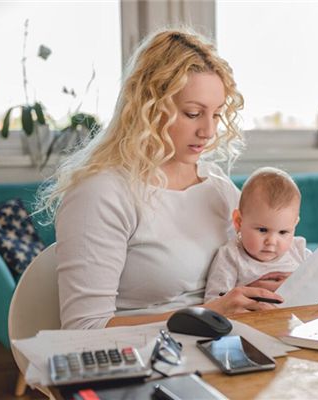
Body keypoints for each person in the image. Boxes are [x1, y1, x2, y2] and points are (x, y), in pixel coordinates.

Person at [37, 28, 287, 330]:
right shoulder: (102, 193)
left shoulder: (216, 186)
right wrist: (210, 312)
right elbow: (84, 329)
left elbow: (240, 269)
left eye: (217, 115)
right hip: (141, 359)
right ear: (150, 110)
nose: (208, 131)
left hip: (220, 344)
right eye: (193, 113)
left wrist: (265, 286)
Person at [205, 167, 318, 304]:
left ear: (294, 226)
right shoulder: (231, 256)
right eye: (262, 230)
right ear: (238, 221)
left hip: (296, 325)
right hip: (253, 324)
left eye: (283, 232)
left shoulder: (298, 251)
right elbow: (214, 304)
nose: (272, 241)